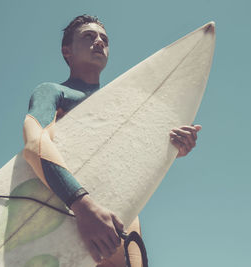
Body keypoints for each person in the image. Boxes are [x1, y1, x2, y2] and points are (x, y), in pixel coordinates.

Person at [22, 15, 201, 267]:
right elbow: (35, 144)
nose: (99, 42)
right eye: (88, 36)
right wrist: (82, 205)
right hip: (73, 213)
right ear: (67, 50)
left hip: (126, 222)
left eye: (104, 39)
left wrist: (175, 148)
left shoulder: (123, 105)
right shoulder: (53, 92)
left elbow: (134, 160)